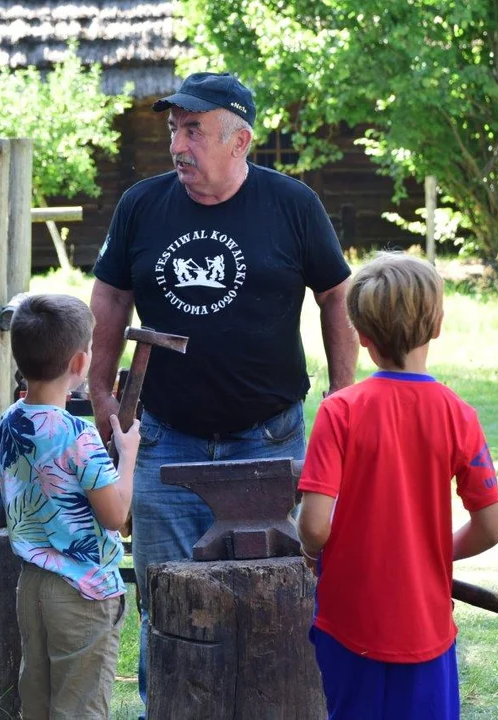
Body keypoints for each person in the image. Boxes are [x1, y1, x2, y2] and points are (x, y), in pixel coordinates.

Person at [89, 70, 360, 711]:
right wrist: (102, 393)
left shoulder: (291, 204)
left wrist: (343, 400)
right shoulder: (141, 205)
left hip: (269, 441)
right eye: (175, 131)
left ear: (239, 141)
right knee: (168, 612)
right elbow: (109, 296)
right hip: (163, 445)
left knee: (275, 605)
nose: (179, 146)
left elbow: (336, 295)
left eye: (194, 132)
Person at [296, 252, 498, 719]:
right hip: (426, 626)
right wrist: (429, 551)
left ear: (362, 336)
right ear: (437, 325)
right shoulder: (459, 415)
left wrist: (313, 554)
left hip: (348, 622)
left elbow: (313, 525)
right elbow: (490, 528)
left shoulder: (340, 410)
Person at [0, 294, 141, 719]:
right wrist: (127, 457)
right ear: (80, 363)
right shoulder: (78, 435)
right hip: (83, 592)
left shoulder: (10, 422)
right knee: (79, 709)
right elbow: (115, 516)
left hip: (34, 586)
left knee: (37, 705)